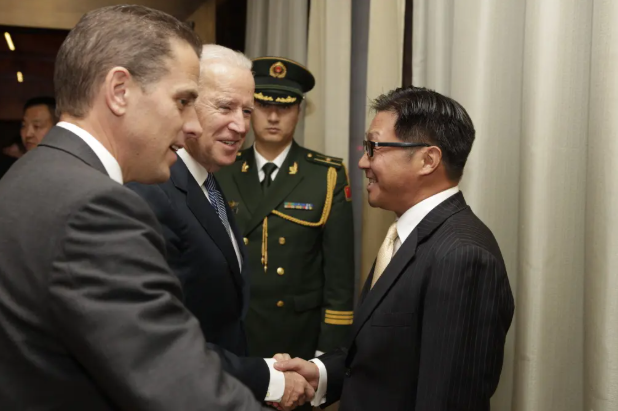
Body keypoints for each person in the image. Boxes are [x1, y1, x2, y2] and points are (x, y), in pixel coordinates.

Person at [0, 5, 269, 411]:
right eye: (182, 101)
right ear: (119, 91)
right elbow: (182, 389)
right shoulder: (97, 209)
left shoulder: (28, 174)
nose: (191, 125)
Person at [275, 86, 515, 411]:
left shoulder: (462, 256)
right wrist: (321, 373)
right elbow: (386, 355)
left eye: (373, 148)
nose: (362, 162)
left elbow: (447, 399)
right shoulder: (406, 234)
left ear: (427, 159)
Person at [127, 45, 313, 409]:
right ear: (186, 103)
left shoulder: (211, 182)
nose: (241, 126)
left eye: (247, 111)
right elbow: (155, 337)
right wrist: (270, 380)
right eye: (225, 107)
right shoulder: (152, 189)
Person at [216, 57, 355, 364]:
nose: (274, 116)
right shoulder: (221, 168)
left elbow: (339, 277)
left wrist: (328, 352)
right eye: (264, 106)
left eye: (286, 106)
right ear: (251, 111)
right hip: (235, 330)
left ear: (299, 111)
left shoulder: (326, 175)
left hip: (296, 338)